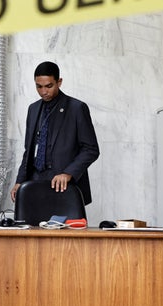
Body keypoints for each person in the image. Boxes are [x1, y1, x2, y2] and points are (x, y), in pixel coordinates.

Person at [10, 62, 99, 206]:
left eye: (49, 86)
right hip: (34, 186)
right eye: (39, 86)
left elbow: (91, 149)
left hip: (65, 187)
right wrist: (20, 182)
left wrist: (68, 173)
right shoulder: (33, 109)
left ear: (59, 82)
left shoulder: (77, 108)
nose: (44, 91)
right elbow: (29, 152)